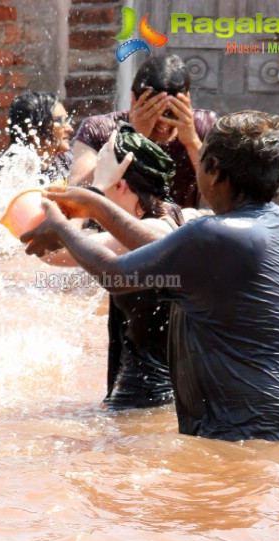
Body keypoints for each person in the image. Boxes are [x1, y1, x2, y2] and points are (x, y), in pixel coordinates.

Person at [23, 111, 279, 441]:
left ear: (215, 171)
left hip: (242, 435)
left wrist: (63, 229)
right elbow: (165, 249)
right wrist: (94, 206)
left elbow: (114, 274)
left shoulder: (212, 235)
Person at [41, 123, 199, 409]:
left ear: (121, 184)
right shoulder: (180, 216)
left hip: (144, 397)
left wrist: (95, 192)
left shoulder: (151, 230)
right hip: (162, 399)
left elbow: (53, 251)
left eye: (101, 169)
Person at [69, 54, 217, 209]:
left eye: (171, 113)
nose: (163, 124)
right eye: (153, 113)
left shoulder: (204, 126)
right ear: (133, 100)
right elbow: (75, 191)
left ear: (187, 100)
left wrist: (192, 141)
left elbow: (223, 190)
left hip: (182, 228)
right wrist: (132, 139)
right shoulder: (99, 129)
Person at [0, 91, 74, 185]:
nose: (70, 129)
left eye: (67, 121)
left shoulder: (69, 162)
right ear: (32, 129)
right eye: (59, 121)